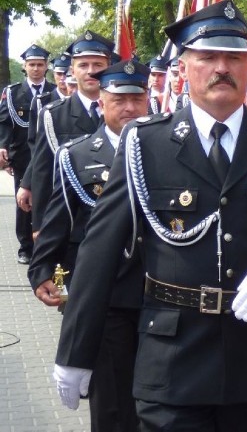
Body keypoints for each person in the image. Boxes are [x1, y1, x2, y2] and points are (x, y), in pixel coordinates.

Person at [50, 0, 247, 431]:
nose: (221, 67)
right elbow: (100, 250)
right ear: (184, 69)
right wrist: (75, 351)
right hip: (171, 358)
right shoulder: (145, 143)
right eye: (207, 57)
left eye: (234, 58)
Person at [31, 59, 151, 431]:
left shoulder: (165, 148)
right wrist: (42, 270)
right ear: (102, 102)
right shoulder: (77, 154)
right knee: (111, 400)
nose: (129, 108)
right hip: (105, 293)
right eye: (119, 100)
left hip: (158, 293)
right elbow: (58, 219)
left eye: (137, 98)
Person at [23, 32, 113, 243]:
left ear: (109, 67)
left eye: (98, 64)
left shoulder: (124, 111)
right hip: (72, 220)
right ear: (72, 71)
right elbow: (43, 170)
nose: (91, 71)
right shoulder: (53, 114)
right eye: (83, 65)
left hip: (117, 219)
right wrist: (39, 224)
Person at [1, 44, 57, 264]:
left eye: (40, 65)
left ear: (46, 67)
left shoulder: (54, 92)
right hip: (23, 154)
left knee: (47, 199)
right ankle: (25, 246)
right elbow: (5, 122)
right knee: (23, 200)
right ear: (24, 67)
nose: (36, 69)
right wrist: (2, 145)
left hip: (48, 153)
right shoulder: (13, 93)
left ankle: (45, 244)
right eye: (32, 65)